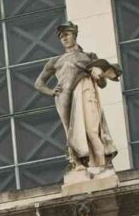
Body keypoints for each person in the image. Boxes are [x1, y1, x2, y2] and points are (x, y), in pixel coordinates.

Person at [30, 22, 122, 177]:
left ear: (74, 35)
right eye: (61, 37)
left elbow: (102, 83)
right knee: (71, 131)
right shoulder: (55, 61)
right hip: (64, 98)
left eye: (66, 35)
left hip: (85, 94)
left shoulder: (88, 57)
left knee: (91, 127)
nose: (64, 39)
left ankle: (99, 160)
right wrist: (52, 92)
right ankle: (77, 162)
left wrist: (97, 73)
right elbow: (38, 83)